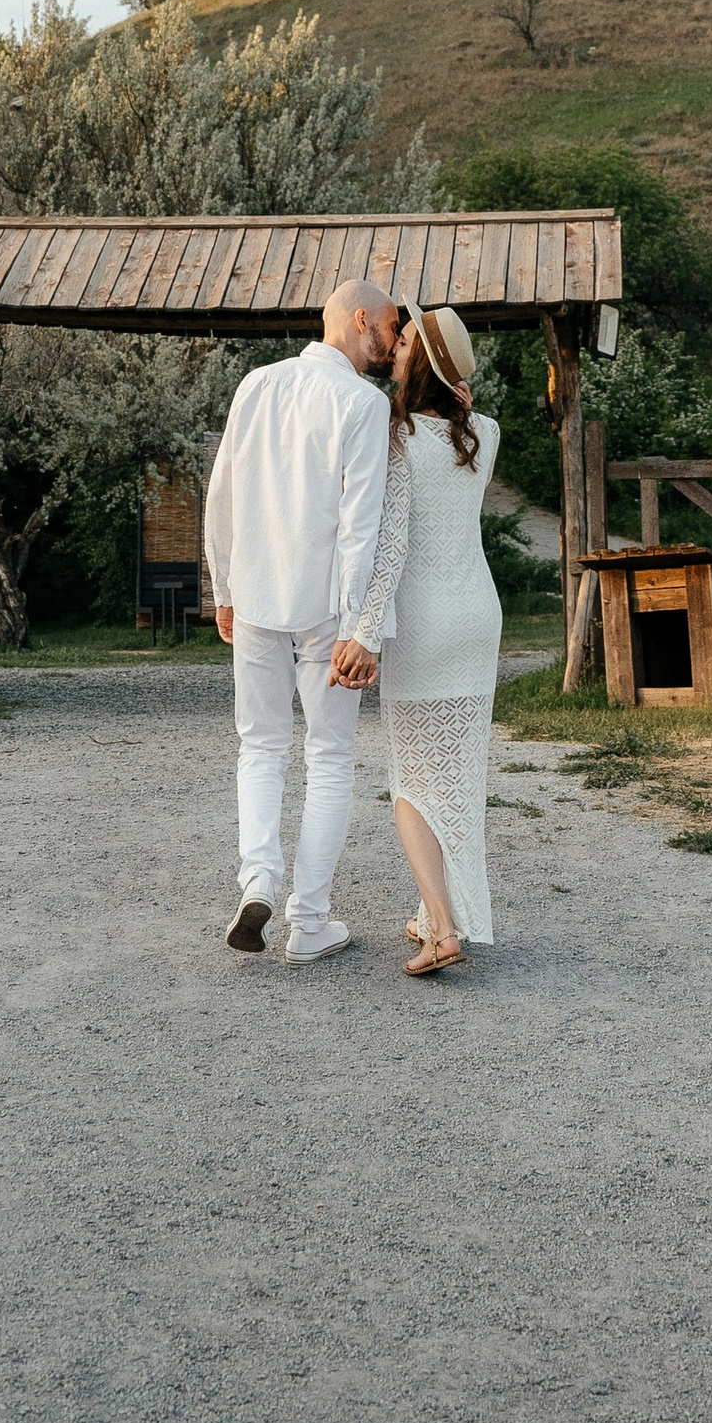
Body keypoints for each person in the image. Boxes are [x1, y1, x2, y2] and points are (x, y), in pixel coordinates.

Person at [205, 279, 406, 963]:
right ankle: (308, 921)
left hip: (256, 594)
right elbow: (361, 526)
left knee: (259, 746)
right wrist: (361, 627)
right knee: (328, 758)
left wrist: (222, 583)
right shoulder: (363, 402)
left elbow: (222, 489)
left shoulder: (256, 384)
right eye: (388, 325)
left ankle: (258, 878)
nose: (392, 339)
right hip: (325, 607)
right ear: (359, 321)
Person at [376, 302, 503, 979]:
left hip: (422, 620)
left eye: (402, 349)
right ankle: (433, 912)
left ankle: (445, 929)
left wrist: (365, 630)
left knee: (410, 783)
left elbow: (391, 546)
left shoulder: (394, 437)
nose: (392, 353)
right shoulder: (488, 432)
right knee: (456, 776)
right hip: (478, 618)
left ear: (419, 362)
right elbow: (463, 422)